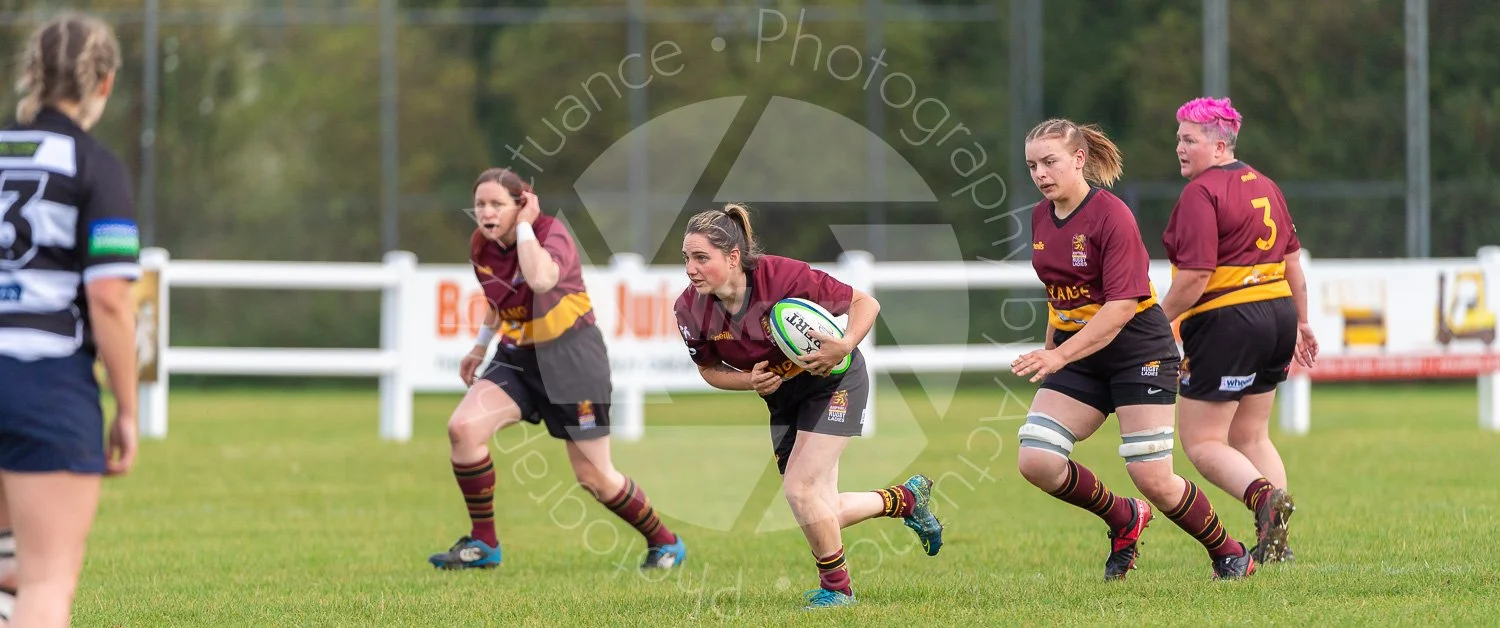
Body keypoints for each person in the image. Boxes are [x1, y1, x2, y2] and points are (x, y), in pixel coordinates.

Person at [1010, 118, 1256, 581]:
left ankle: (1230, 552)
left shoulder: (1111, 215)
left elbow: (1122, 306)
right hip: (1081, 354)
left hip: (1138, 352)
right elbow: (1060, 293)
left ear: (1079, 159)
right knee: (1038, 459)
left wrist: (1059, 356)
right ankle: (1123, 516)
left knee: (1154, 478)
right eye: (1031, 166)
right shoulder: (1042, 216)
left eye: (1049, 162)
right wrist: (1051, 352)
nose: (1040, 174)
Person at [673, 205, 944, 610]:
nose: (690, 269)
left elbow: (864, 302)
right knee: (821, 506)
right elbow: (709, 369)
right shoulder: (689, 309)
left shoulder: (781, 276)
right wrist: (749, 381)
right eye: (686, 258)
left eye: (700, 258)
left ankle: (838, 590)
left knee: (800, 490)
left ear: (732, 258)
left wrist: (846, 342)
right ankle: (905, 499)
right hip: (783, 399)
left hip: (834, 382)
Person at [427, 168, 687, 571]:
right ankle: (484, 544)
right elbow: (499, 300)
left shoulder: (551, 234)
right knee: (463, 430)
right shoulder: (482, 245)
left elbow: (540, 279)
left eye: (497, 203)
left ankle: (665, 541)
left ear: (523, 203)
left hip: (572, 360)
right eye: (480, 204)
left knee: (595, 477)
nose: (486, 212)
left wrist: (527, 228)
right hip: (518, 356)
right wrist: (479, 347)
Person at [0, 12, 140, 626]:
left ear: (32, 73)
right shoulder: (95, 167)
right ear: (103, 84)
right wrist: (129, 409)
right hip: (44, 386)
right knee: (44, 585)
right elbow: (110, 299)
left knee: (6, 577)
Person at [1160, 97, 1317, 565]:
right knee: (1252, 436)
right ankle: (1278, 546)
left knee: (1203, 442)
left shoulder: (1201, 193)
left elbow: (1194, 277)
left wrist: (1155, 322)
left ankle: (1265, 500)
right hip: (1276, 315)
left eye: (1189, 139)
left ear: (1220, 144)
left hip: (1229, 322)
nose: (1180, 148)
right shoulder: (1265, 184)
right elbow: (1293, 263)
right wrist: (1302, 321)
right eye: (1178, 139)